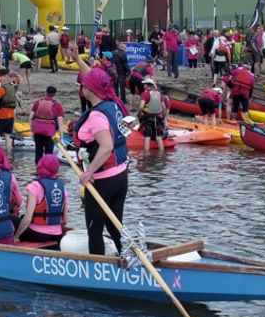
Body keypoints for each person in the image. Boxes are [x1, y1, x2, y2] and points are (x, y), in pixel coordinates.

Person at [73, 63, 129, 256]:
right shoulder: (112, 103)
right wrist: (76, 59)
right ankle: (125, 255)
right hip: (121, 175)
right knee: (114, 224)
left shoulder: (97, 115)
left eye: (83, 85)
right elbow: (97, 78)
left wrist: (88, 173)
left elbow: (106, 147)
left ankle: (96, 267)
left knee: (94, 229)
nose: (81, 87)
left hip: (103, 180)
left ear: (89, 90)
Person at [13, 154, 69, 246]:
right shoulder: (63, 188)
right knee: (22, 217)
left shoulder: (35, 186)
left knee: (11, 218)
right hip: (57, 235)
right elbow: (65, 219)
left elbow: (28, 219)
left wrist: (17, 236)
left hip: (38, 235)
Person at [30, 85, 65, 163]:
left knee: (38, 152)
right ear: (55, 94)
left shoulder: (38, 102)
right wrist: (62, 138)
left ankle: (38, 170)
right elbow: (60, 122)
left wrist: (32, 131)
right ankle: (48, 170)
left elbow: (30, 117)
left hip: (37, 130)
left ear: (45, 92)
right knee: (48, 153)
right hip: (49, 132)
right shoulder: (57, 105)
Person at [0, 70, 21, 154]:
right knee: (7, 136)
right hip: (11, 116)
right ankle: (9, 154)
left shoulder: (0, 90)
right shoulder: (12, 88)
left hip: (1, 116)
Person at [138, 77, 169, 153]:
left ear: (147, 85)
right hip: (157, 117)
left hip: (147, 117)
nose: (143, 85)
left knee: (147, 136)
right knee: (159, 136)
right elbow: (164, 107)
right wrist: (163, 117)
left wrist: (139, 114)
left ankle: (146, 156)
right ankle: (161, 155)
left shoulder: (144, 94)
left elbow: (141, 106)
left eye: (144, 84)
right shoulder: (159, 95)